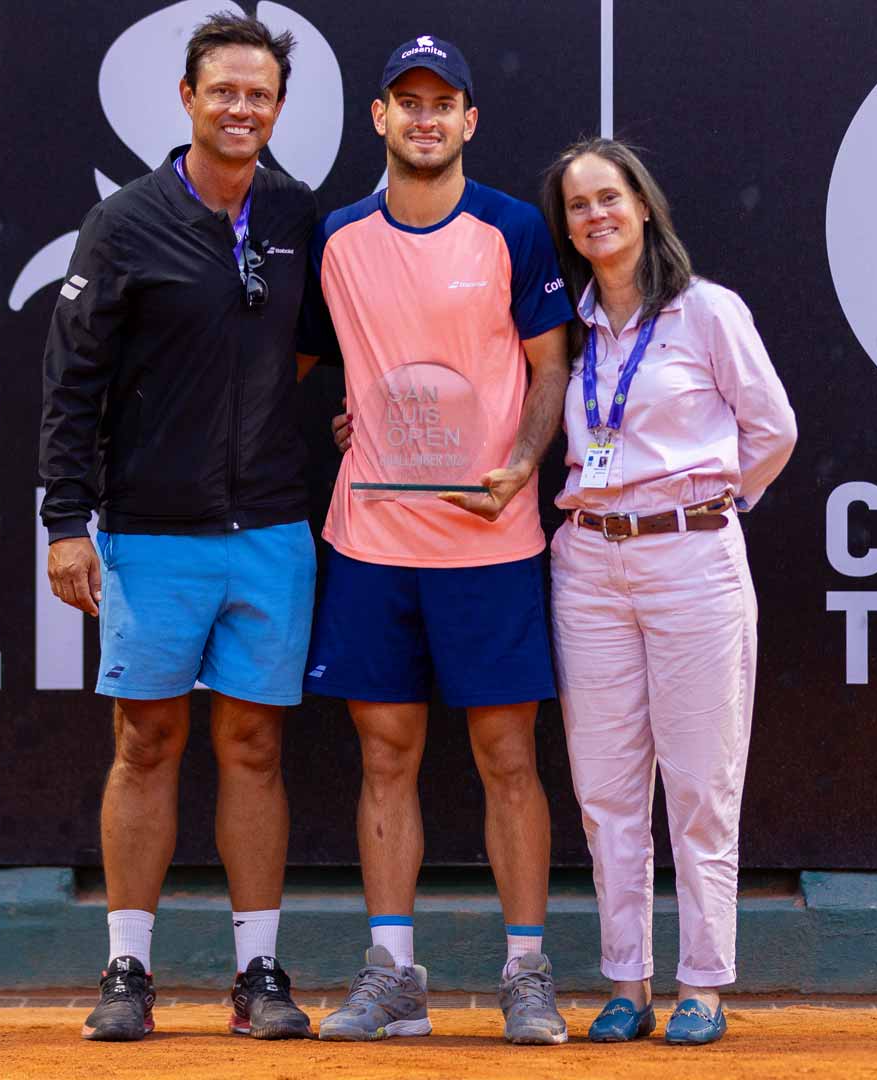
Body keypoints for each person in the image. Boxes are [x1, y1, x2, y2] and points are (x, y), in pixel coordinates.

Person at [37, 10, 320, 1042]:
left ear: (278, 108)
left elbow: (318, 348)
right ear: (190, 99)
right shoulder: (126, 224)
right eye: (224, 90)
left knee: (253, 744)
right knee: (146, 740)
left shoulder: (296, 216)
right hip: (151, 534)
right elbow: (72, 380)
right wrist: (67, 521)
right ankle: (127, 970)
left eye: (260, 93)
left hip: (274, 534)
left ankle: (257, 975)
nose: (242, 107)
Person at [297, 34, 574, 1045]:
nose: (422, 118)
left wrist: (525, 461)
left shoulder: (514, 230)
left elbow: (550, 368)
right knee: (386, 755)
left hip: (491, 542)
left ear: (468, 119)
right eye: (404, 102)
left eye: (440, 102)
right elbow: (316, 363)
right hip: (372, 539)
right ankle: (394, 976)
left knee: (508, 755)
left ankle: (526, 974)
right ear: (378, 118)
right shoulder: (334, 239)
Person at [537, 138, 796, 1045]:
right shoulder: (563, 325)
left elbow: (773, 429)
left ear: (644, 206)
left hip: (692, 560)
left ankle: (703, 985)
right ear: (565, 226)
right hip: (589, 565)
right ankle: (625, 982)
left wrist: (714, 505)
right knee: (606, 791)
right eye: (577, 205)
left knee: (698, 783)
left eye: (610, 197)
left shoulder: (705, 311)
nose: (596, 216)